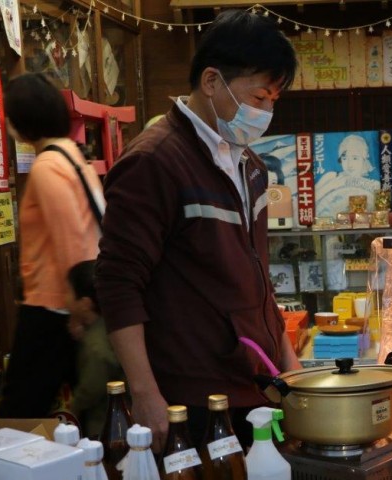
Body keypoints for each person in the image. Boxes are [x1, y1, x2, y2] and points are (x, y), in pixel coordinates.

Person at [95, 10, 300, 451]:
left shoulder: (251, 167)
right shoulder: (154, 162)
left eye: (273, 101)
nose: (265, 111)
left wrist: (291, 366)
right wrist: (145, 393)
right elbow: (117, 284)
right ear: (211, 81)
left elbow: (257, 276)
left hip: (255, 385)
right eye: (259, 97)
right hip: (190, 399)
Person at [0, 73, 103, 419]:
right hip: (75, 304)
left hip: (53, 307)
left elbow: (70, 238)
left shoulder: (46, 166)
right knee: (86, 405)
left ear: (22, 121)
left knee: (19, 414)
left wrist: (77, 308)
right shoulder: (74, 156)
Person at [67, 260, 124, 439]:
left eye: (68, 291)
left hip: (104, 427)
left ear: (84, 303)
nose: (64, 298)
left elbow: (92, 387)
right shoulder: (105, 327)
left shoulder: (95, 344)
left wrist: (73, 407)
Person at [313, 133, 381, 216]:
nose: (349, 165)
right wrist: (333, 185)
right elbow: (312, 201)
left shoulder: (375, 184)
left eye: (355, 158)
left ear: (365, 156)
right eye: (344, 158)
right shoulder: (332, 177)